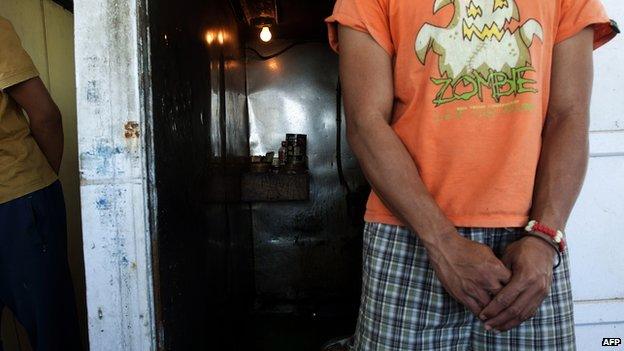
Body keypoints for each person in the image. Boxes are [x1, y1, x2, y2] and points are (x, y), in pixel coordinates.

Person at [326, 0, 618, 349]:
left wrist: (544, 238)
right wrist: (442, 242)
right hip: (409, 233)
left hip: (529, 245)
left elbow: (569, 116)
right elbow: (365, 122)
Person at [0, 16, 82, 350]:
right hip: (20, 199)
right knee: (54, 334)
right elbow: (45, 115)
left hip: (19, 199)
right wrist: (40, 179)